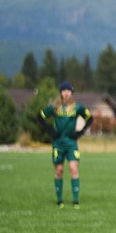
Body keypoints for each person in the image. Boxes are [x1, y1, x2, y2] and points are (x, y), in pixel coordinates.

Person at [38, 80, 93, 208]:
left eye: (68, 90)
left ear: (71, 93)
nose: (66, 93)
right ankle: (59, 200)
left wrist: (80, 132)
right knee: (59, 170)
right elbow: (40, 117)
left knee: (74, 168)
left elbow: (90, 118)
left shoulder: (77, 107)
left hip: (71, 143)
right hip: (58, 143)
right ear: (60, 93)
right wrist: (50, 131)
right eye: (63, 91)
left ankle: (75, 200)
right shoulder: (55, 107)